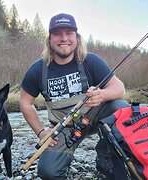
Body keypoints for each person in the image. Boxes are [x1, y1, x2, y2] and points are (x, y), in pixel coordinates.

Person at [20, 13, 129, 179]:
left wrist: (102, 94)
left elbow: (119, 89)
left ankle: (106, 157)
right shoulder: (37, 69)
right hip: (64, 128)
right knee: (48, 173)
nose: (64, 38)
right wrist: (41, 132)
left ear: (77, 38)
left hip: (94, 119)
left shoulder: (90, 61)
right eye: (57, 34)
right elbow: (25, 103)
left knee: (120, 108)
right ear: (49, 40)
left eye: (69, 33)